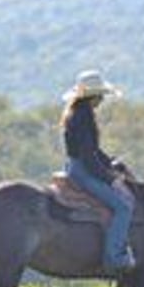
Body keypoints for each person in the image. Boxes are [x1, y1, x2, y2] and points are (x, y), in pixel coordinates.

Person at [60, 69, 136, 273]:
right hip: (82, 170)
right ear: (92, 96)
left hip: (75, 166)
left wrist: (110, 162)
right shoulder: (83, 117)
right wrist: (110, 178)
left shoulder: (77, 114)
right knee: (123, 208)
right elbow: (88, 156)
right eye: (100, 95)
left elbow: (92, 151)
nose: (102, 99)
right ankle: (114, 258)